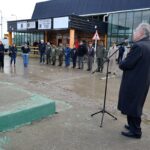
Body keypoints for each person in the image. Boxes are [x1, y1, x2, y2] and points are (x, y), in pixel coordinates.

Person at [118, 23, 150, 139]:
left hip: (134, 82)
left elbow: (126, 64)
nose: (133, 33)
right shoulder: (147, 44)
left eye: (135, 31)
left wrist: (121, 62)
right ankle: (132, 126)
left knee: (133, 106)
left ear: (141, 33)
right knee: (135, 105)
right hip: (142, 82)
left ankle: (136, 131)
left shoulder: (138, 46)